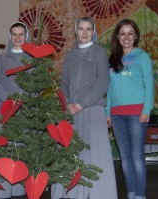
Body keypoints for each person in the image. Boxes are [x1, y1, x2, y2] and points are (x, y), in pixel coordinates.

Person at [51, 16, 118, 199]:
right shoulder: (70, 55)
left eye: (88, 29)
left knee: (95, 153)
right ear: (76, 31)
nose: (85, 32)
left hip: (92, 109)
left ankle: (98, 193)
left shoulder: (99, 52)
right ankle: (72, 193)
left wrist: (82, 103)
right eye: (81, 28)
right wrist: (69, 103)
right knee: (71, 152)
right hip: (71, 111)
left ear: (93, 31)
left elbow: (103, 83)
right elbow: (63, 83)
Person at [106, 18, 154, 199]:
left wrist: (146, 110)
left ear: (135, 37)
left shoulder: (143, 56)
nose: (126, 37)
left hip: (136, 114)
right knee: (124, 158)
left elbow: (149, 85)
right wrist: (108, 112)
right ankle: (131, 192)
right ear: (118, 37)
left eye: (130, 33)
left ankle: (140, 194)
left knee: (136, 157)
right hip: (117, 115)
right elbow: (109, 88)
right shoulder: (113, 59)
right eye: (122, 34)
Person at [0, 22, 31, 199]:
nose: (18, 38)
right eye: (14, 34)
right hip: (4, 112)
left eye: (21, 34)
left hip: (25, 112)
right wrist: (8, 99)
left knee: (21, 151)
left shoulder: (32, 60)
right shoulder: (1, 59)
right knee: (1, 151)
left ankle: (20, 189)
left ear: (26, 36)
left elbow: (38, 85)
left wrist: (25, 100)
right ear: (10, 36)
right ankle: (1, 190)